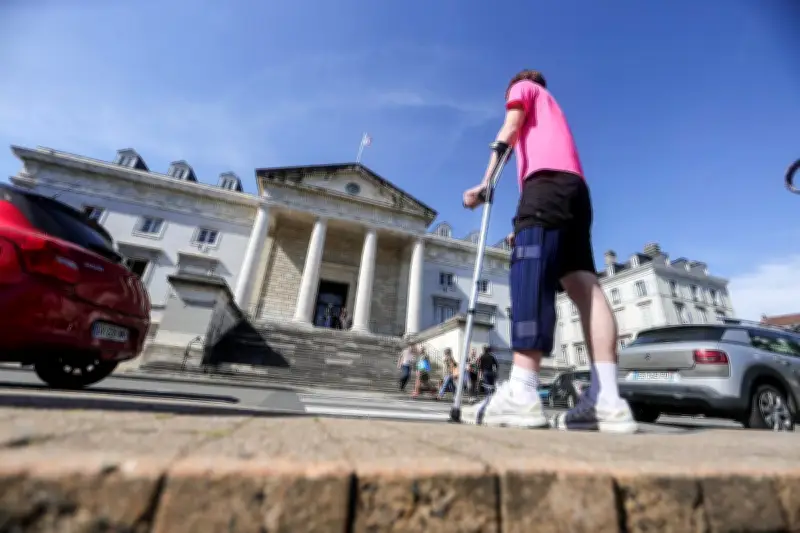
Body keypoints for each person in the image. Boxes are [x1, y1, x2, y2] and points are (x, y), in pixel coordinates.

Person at [461, 69, 637, 433]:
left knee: (530, 269)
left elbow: (509, 130)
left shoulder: (524, 89)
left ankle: (523, 391)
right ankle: (607, 398)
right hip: (575, 192)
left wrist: (486, 183)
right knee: (584, 286)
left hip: (544, 184)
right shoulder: (553, 109)